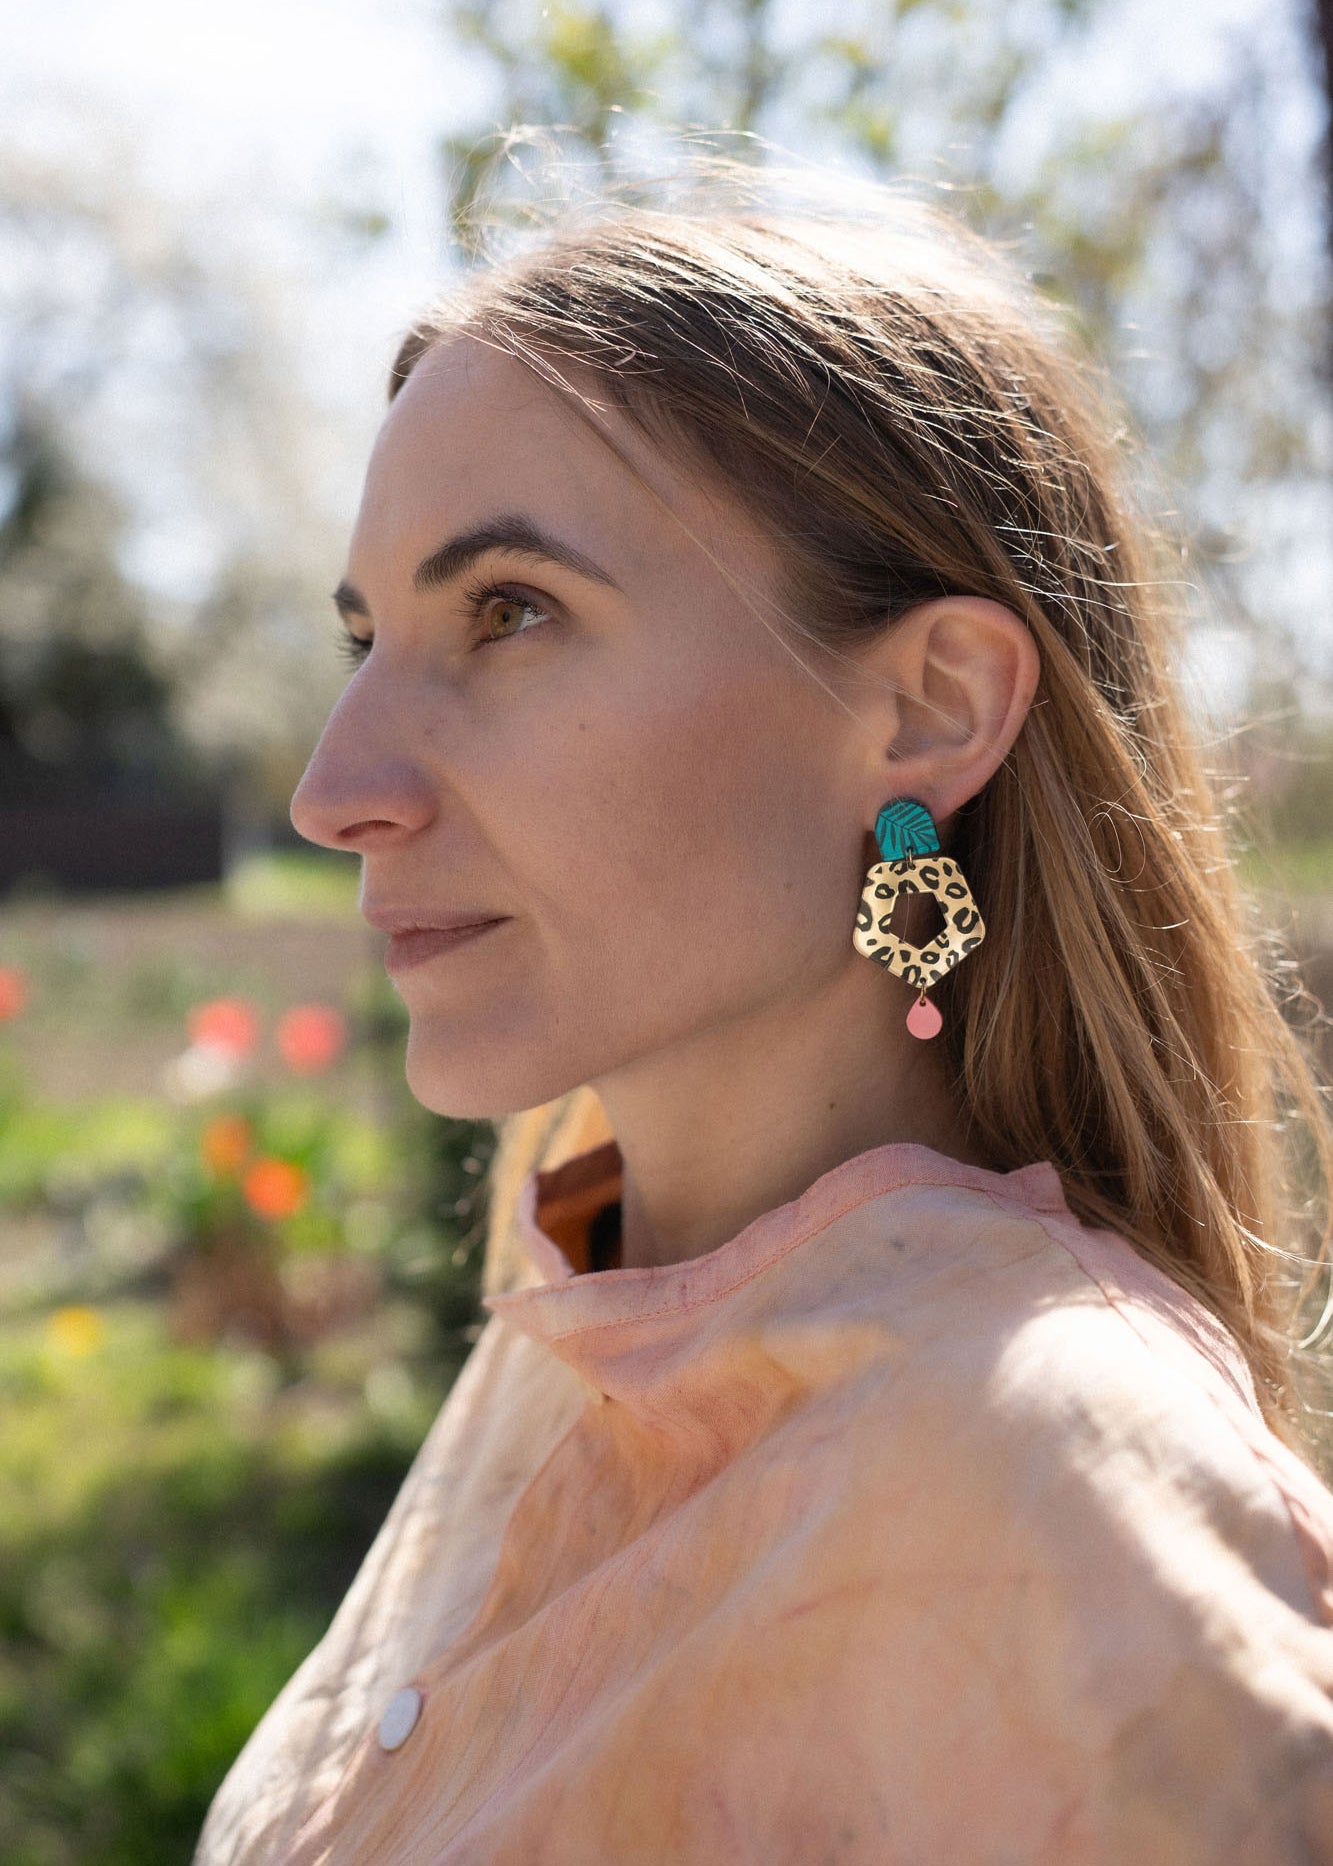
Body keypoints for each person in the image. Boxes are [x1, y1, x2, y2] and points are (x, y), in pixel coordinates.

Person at [193, 174, 1333, 1865]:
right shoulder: (572, 1312)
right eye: (366, 638)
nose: (333, 788)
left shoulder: (1055, 1487)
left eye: (508, 609)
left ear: (928, 705)